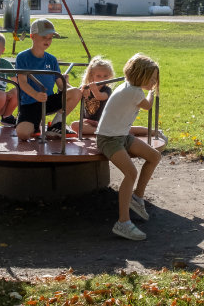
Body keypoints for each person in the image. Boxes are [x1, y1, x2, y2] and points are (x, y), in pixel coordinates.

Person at [95, 53, 162, 241]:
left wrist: (149, 88)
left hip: (121, 136)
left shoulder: (128, 87)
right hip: (109, 139)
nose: (154, 82)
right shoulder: (135, 92)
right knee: (130, 173)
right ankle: (123, 223)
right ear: (140, 76)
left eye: (155, 79)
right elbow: (148, 106)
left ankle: (137, 198)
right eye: (152, 79)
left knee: (154, 156)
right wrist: (152, 91)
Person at [15, 18, 81, 139]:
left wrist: (72, 87)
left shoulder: (52, 59)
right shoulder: (22, 57)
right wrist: (35, 95)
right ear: (32, 36)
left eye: (50, 38)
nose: (48, 40)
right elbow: (22, 83)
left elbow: (61, 85)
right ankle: (34, 124)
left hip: (48, 100)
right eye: (44, 37)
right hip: (31, 103)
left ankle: (56, 124)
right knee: (23, 134)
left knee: (76, 92)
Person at [70, 55, 114, 135]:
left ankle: (104, 131)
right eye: (98, 76)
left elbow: (100, 97)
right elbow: (74, 94)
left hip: (102, 121)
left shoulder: (107, 90)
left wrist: (94, 90)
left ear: (110, 76)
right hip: (89, 122)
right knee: (74, 125)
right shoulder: (86, 88)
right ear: (91, 76)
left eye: (105, 76)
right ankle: (102, 131)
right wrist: (66, 83)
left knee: (127, 129)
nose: (102, 79)